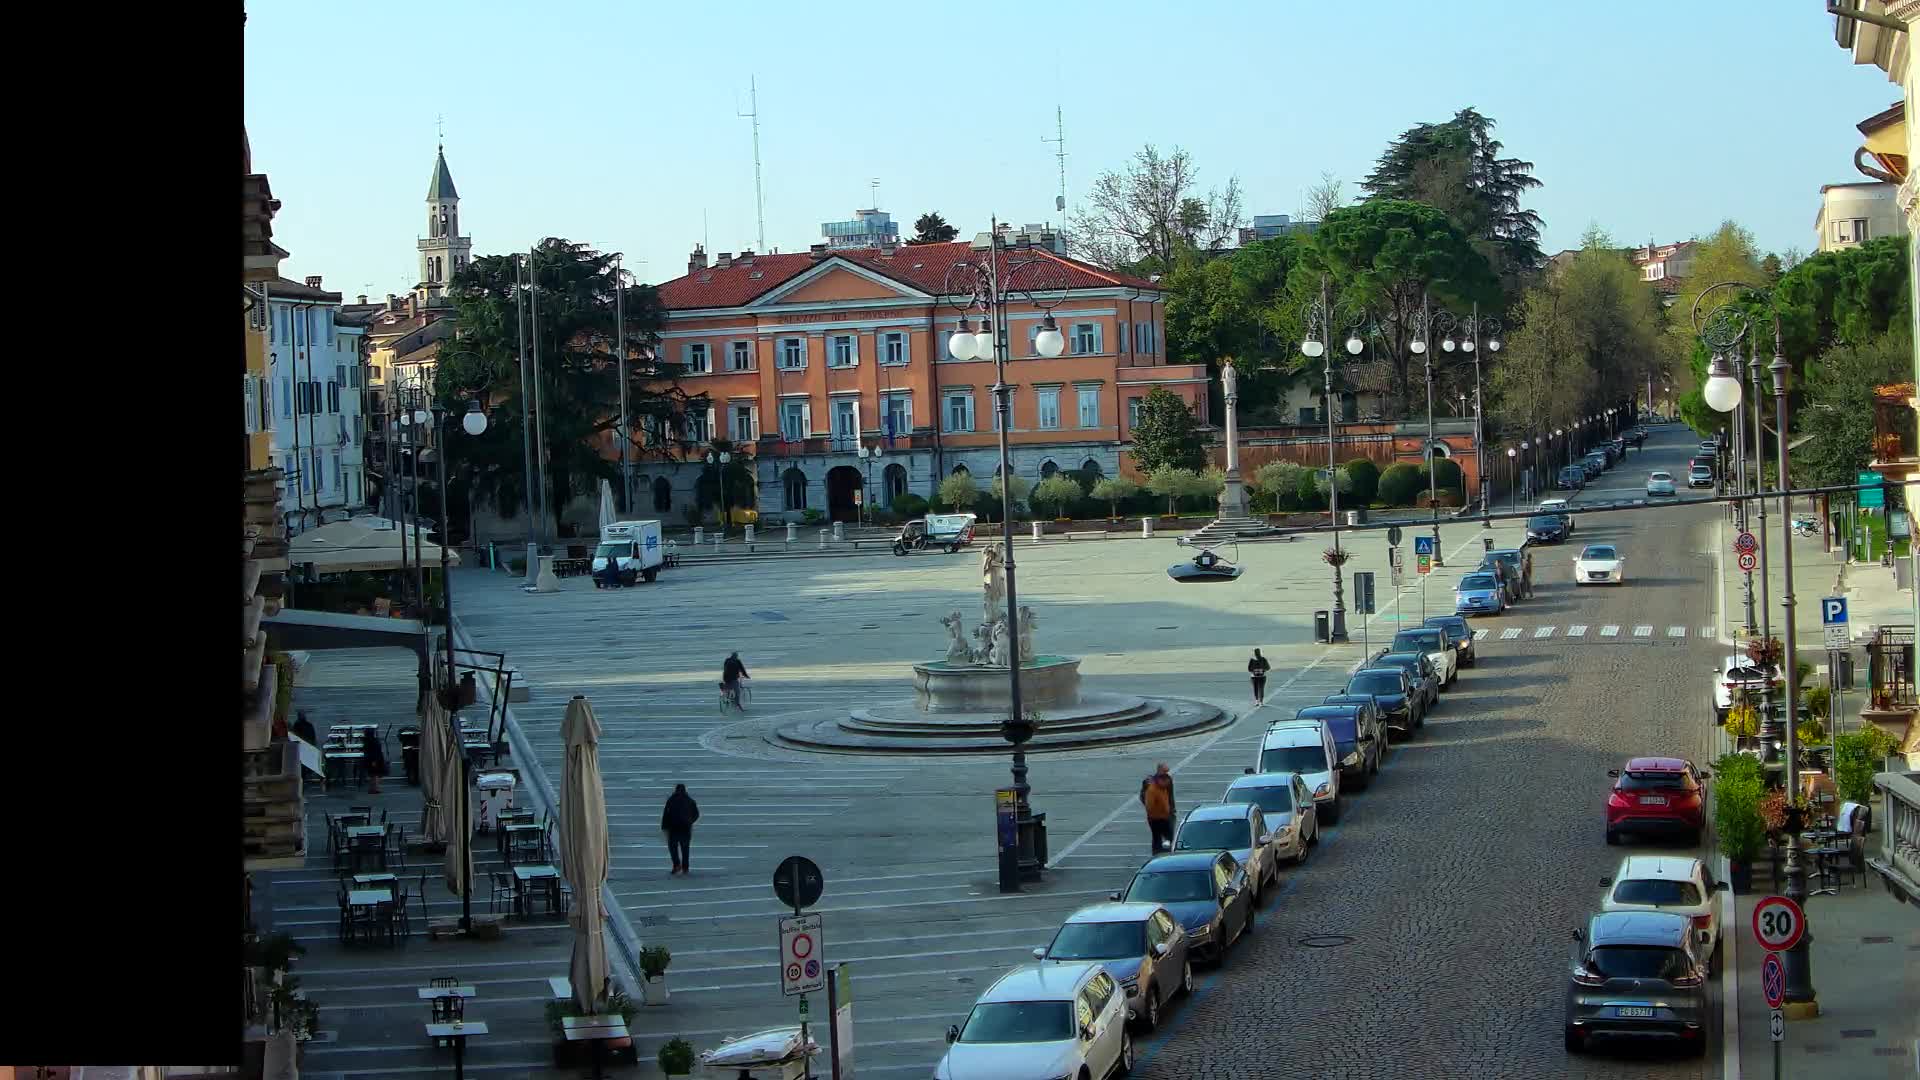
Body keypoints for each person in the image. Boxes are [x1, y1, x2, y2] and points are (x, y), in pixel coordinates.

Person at [662, 783, 700, 875]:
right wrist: (690, 821)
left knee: (673, 847)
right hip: (685, 828)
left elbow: (666, 814)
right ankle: (685, 868)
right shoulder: (690, 800)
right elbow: (696, 814)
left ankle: (676, 865)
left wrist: (664, 826)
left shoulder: (671, 800)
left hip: (673, 827)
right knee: (685, 848)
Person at [1140, 763, 1175, 855]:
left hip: (1165, 815)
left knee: (1166, 837)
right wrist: (1154, 812)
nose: (1167, 775)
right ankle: (1158, 854)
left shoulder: (1166, 783)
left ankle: (1164, 852)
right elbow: (1148, 804)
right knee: (1160, 837)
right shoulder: (1152, 788)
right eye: (1165, 772)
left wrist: (1171, 809)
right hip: (1156, 817)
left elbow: (1170, 797)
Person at [360, 727, 389, 795]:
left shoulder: (366, 741)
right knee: (375, 775)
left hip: (369, 759)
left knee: (372, 775)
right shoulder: (374, 741)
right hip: (375, 760)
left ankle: (372, 788)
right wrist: (375, 761)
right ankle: (374, 788)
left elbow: (366, 750)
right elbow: (376, 752)